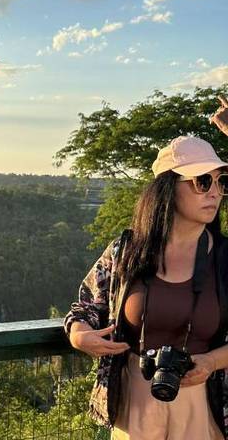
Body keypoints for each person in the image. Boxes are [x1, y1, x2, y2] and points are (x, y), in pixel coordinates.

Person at [65, 135, 228, 439]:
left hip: (203, 404)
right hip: (134, 405)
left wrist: (211, 361)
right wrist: (79, 335)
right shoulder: (126, 251)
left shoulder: (225, 259)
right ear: (167, 188)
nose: (215, 193)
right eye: (202, 181)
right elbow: (85, 307)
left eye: (222, 183)